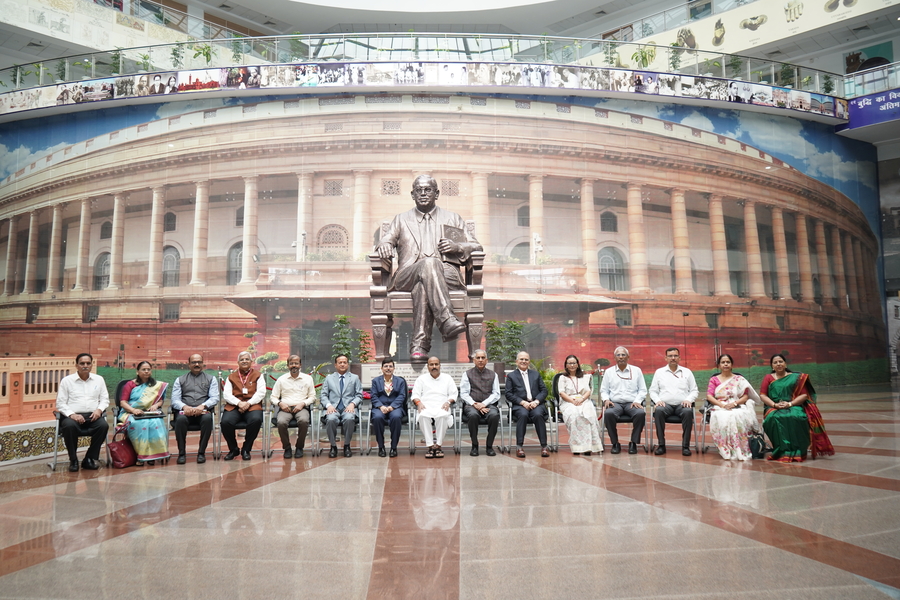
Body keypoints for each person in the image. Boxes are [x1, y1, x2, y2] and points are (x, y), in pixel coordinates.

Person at [374, 174, 483, 361]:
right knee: (429, 264)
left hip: (446, 275)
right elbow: (387, 238)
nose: (423, 193)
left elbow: (476, 246)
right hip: (407, 275)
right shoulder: (401, 219)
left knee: (423, 284)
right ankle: (446, 320)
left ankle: (419, 346)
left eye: (428, 190)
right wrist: (384, 244)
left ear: (437, 193)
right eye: (419, 190)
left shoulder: (452, 218)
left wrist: (458, 247)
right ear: (413, 194)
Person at [760, 354, 834, 462]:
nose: (778, 364)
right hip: (774, 406)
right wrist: (775, 405)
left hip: (793, 404)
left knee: (796, 416)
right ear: (772, 366)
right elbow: (763, 395)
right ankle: (781, 451)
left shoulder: (796, 378)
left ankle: (799, 451)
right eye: (775, 362)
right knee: (773, 418)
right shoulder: (768, 378)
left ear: (785, 363)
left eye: (780, 361)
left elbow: (804, 395)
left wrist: (790, 404)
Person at [56, 353, 110, 472]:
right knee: (69, 426)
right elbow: (60, 403)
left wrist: (99, 410)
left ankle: (89, 458)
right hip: (72, 416)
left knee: (103, 426)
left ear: (91, 365)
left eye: (88, 363)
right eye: (82, 363)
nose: (85, 366)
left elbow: (105, 399)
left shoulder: (99, 379)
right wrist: (72, 415)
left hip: (93, 416)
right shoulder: (67, 381)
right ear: (76, 365)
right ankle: (73, 460)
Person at [707, 353, 759, 461]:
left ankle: (741, 449)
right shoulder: (714, 380)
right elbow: (709, 396)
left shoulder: (739, 379)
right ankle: (726, 449)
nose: (725, 364)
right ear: (719, 365)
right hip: (720, 406)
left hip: (737, 404)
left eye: (728, 362)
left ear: (731, 364)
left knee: (738, 415)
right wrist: (722, 405)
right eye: (723, 362)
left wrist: (734, 404)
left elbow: (745, 396)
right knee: (723, 417)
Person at [116, 361, 169, 465]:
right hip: (131, 412)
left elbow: (160, 400)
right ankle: (141, 455)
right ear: (137, 372)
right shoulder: (130, 384)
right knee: (138, 424)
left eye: (148, 369)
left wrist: (156, 405)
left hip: (149, 412)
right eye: (143, 369)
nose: (146, 371)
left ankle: (154, 456)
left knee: (156, 422)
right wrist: (134, 410)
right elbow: (123, 402)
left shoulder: (156, 385)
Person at [648, 347, 698, 456]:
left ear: (679, 358)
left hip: (682, 405)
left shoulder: (687, 372)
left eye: (675, 356)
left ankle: (686, 446)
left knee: (688, 412)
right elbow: (653, 391)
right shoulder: (659, 372)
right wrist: (658, 401)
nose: (673, 358)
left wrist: (689, 400)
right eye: (670, 356)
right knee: (659, 411)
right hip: (665, 405)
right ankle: (661, 445)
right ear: (666, 358)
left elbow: (694, 390)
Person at [171, 353, 219, 464]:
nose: (197, 364)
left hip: (203, 411)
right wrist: (184, 407)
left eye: (199, 362)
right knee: (180, 420)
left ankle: (201, 453)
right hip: (185, 412)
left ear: (203, 364)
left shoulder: (211, 379)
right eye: (194, 362)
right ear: (189, 364)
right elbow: (175, 400)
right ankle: (181, 453)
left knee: (207, 419)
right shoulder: (180, 380)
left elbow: (214, 397)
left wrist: (203, 406)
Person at [600, 346, 647, 454]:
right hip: (615, 403)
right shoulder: (609, 372)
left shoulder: (636, 370)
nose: (621, 357)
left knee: (640, 413)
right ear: (615, 358)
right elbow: (603, 390)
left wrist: (637, 401)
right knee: (609, 413)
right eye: (618, 355)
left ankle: (633, 443)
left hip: (632, 403)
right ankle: (615, 443)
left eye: (623, 355)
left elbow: (643, 390)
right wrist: (606, 400)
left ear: (628, 357)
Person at [505, 351, 550, 458]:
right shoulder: (511, 376)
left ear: (529, 362)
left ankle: (544, 446)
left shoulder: (536, 374)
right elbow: (508, 394)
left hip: (536, 404)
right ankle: (519, 446)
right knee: (523, 414)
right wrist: (523, 402)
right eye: (521, 359)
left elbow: (544, 390)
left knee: (538, 415)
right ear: (516, 362)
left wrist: (536, 401)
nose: (523, 361)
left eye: (526, 359)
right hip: (520, 405)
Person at [221, 351, 264, 460]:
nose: (244, 361)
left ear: (251, 361)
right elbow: (226, 394)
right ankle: (233, 449)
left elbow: (261, 393)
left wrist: (248, 403)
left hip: (252, 405)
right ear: (238, 362)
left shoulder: (258, 375)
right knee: (225, 422)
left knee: (256, 420)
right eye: (242, 359)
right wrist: (239, 403)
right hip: (234, 406)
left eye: (247, 359)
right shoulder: (231, 377)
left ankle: (246, 449)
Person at [270, 355, 316, 459]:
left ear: (300, 365)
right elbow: (273, 397)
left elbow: (312, 397)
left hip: (301, 408)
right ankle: (287, 448)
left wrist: (303, 404)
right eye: (291, 363)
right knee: (281, 422)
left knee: (304, 421)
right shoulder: (281, 380)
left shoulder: (307, 379)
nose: (294, 365)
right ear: (288, 365)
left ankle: (299, 447)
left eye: (296, 363)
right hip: (285, 408)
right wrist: (281, 403)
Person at [412, 356, 456, 459]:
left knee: (442, 416)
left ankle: (439, 446)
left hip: (442, 405)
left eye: (436, 364)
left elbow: (453, 394)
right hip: (426, 406)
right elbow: (415, 394)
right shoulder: (421, 379)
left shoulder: (447, 378)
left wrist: (448, 402)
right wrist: (418, 403)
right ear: (427, 367)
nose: (434, 366)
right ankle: (430, 446)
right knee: (423, 416)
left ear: (440, 366)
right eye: (431, 364)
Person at [558, 354, 602, 456]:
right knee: (575, 415)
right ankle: (577, 447)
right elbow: (562, 393)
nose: (572, 365)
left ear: (577, 364)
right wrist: (573, 401)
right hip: (568, 401)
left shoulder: (584, 377)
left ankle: (589, 447)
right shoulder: (562, 378)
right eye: (570, 363)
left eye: (574, 363)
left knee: (589, 415)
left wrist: (581, 399)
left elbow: (588, 391)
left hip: (584, 400)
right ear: (566, 365)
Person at [459, 349, 500, 456]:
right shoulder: (467, 374)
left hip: (489, 405)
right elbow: (464, 393)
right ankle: (474, 445)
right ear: (474, 360)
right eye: (478, 358)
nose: (480, 360)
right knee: (472, 415)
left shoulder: (493, 374)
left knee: (494, 415)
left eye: (483, 358)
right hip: (471, 405)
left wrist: (484, 404)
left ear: (486, 360)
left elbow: (496, 393)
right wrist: (475, 404)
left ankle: (489, 446)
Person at [321, 354, 362, 458]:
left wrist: (353, 404)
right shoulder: (329, 378)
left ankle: (347, 445)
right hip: (333, 408)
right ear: (335, 365)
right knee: (330, 419)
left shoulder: (354, 378)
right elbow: (323, 395)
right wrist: (329, 405)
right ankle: (333, 446)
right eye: (340, 362)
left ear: (347, 364)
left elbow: (359, 395)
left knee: (349, 418)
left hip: (348, 408)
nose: (342, 364)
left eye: (345, 362)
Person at [370, 357, 408, 458]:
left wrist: (392, 407)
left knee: (396, 417)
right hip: (379, 408)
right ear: (381, 368)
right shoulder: (375, 381)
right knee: (377, 418)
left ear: (394, 368)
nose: (388, 368)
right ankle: (381, 447)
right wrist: (380, 406)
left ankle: (393, 447)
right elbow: (373, 396)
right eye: (386, 366)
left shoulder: (400, 381)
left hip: (395, 408)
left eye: (390, 366)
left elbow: (402, 396)